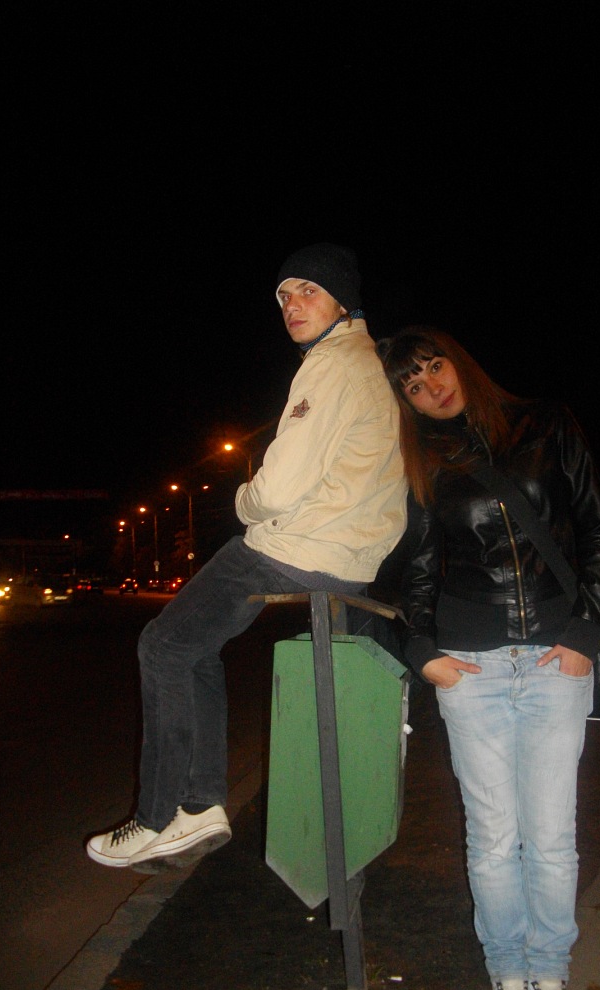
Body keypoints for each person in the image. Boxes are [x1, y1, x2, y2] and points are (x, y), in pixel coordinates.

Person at [87, 243, 407, 874]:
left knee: (162, 645)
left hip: (300, 546)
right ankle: (198, 805)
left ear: (343, 301)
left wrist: (243, 502)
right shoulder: (368, 364)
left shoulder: (333, 364)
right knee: (193, 645)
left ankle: (158, 817)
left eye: (308, 291)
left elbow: (277, 490)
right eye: (284, 296)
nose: (292, 305)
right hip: (350, 555)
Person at [377, 326, 600, 990]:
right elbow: (418, 566)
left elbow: (598, 529)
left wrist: (584, 633)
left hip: (555, 661)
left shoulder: (546, 425)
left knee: (551, 837)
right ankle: (507, 972)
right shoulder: (424, 460)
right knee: (490, 838)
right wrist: (421, 650)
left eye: (434, 367)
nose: (431, 387)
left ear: (458, 361)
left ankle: (551, 971)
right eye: (412, 385)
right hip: (471, 670)